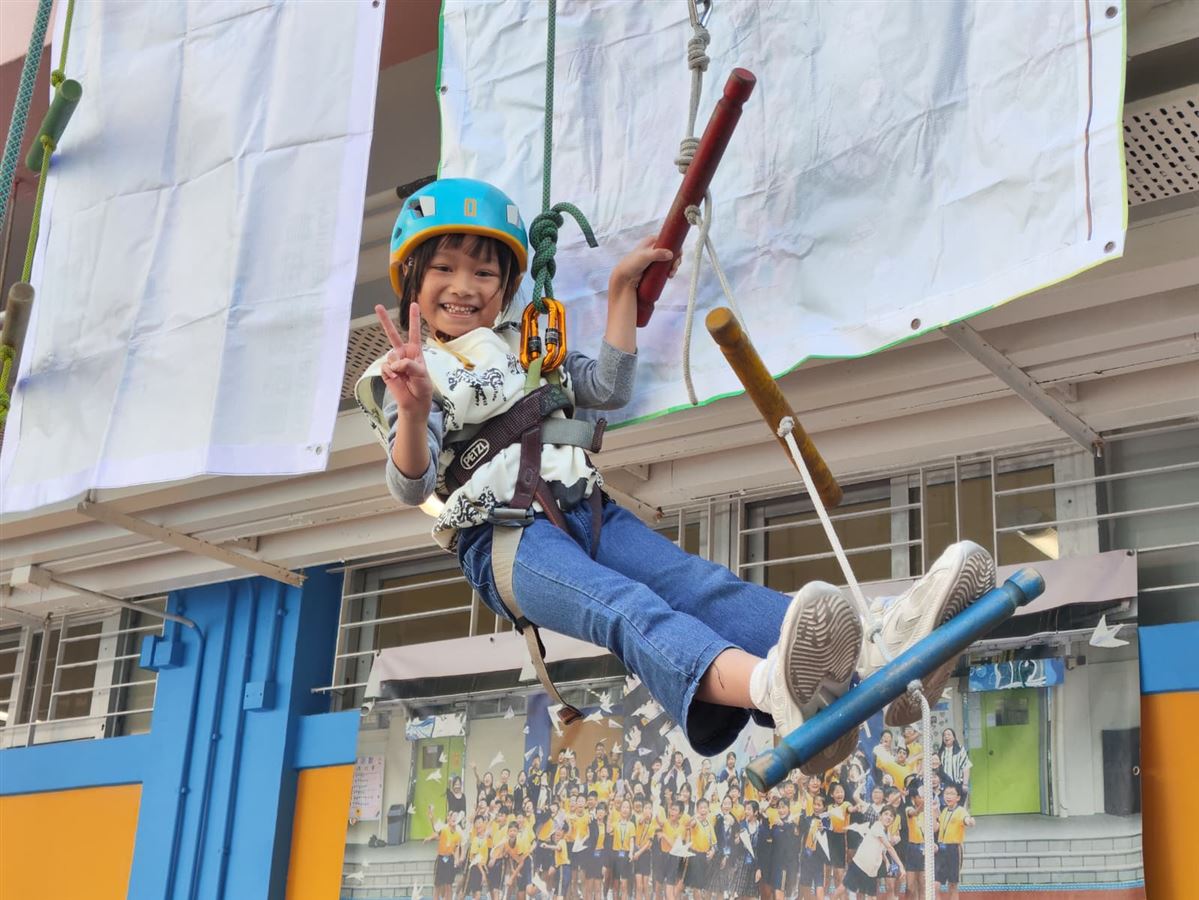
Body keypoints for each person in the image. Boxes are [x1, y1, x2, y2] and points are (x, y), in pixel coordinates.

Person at [365, 177, 999, 771]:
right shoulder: (413, 370)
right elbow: (411, 483)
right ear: (413, 278)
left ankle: (876, 645)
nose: (464, 286)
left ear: (506, 286)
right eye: (444, 268)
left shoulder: (526, 344)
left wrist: (620, 292)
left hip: (586, 508)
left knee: (702, 586)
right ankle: (772, 687)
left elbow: (607, 387)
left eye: (483, 272)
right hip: (508, 538)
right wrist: (414, 412)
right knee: (624, 607)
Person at [843, 806, 905, 898]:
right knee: (843, 888)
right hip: (860, 865)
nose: (888, 817)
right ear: (880, 816)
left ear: (893, 820)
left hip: (871, 870)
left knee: (870, 895)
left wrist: (886, 861)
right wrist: (901, 865)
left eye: (891, 816)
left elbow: (882, 850)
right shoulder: (877, 826)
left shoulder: (886, 833)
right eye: (886, 814)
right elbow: (889, 848)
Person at [934, 784, 975, 900]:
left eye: (952, 794)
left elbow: (966, 820)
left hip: (954, 849)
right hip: (940, 849)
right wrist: (933, 811)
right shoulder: (944, 811)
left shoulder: (961, 811)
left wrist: (970, 821)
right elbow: (936, 828)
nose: (948, 796)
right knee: (935, 885)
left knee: (952, 885)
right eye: (946, 793)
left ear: (958, 797)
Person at [937, 728, 972, 801]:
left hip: (958, 785)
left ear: (954, 738)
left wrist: (965, 784)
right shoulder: (941, 752)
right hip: (945, 786)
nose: (946, 736)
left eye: (949, 734)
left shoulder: (960, 750)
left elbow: (966, 767)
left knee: (958, 806)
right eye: (944, 735)